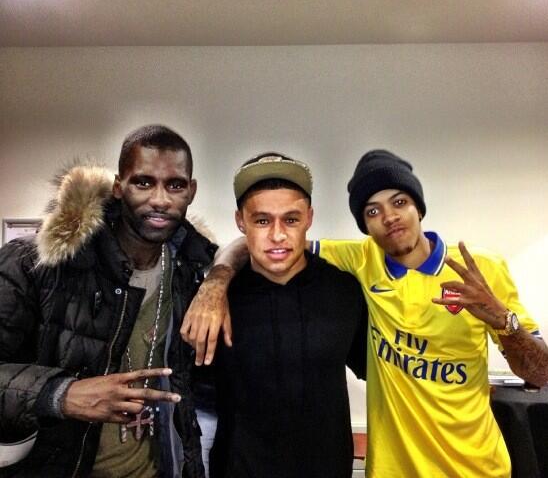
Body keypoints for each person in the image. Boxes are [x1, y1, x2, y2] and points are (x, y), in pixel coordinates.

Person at [181, 149, 548, 478]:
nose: (390, 217)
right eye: (373, 210)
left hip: (472, 468)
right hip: (373, 470)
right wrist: (216, 280)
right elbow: (265, 247)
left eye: (400, 201)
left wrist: (504, 321)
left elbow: (540, 374)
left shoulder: (470, 270)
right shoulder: (355, 267)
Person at [0, 125, 217, 477]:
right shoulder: (36, 264)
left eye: (175, 185)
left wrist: (219, 280)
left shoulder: (187, 274)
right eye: (143, 182)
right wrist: (60, 394)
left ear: (191, 191)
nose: (160, 199)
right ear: (118, 186)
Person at [208, 153, 367, 478]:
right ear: (240, 221)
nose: (278, 235)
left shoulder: (344, 292)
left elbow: (385, 371)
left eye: (291, 220)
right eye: (262, 221)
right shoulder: (217, 301)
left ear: (309, 218)